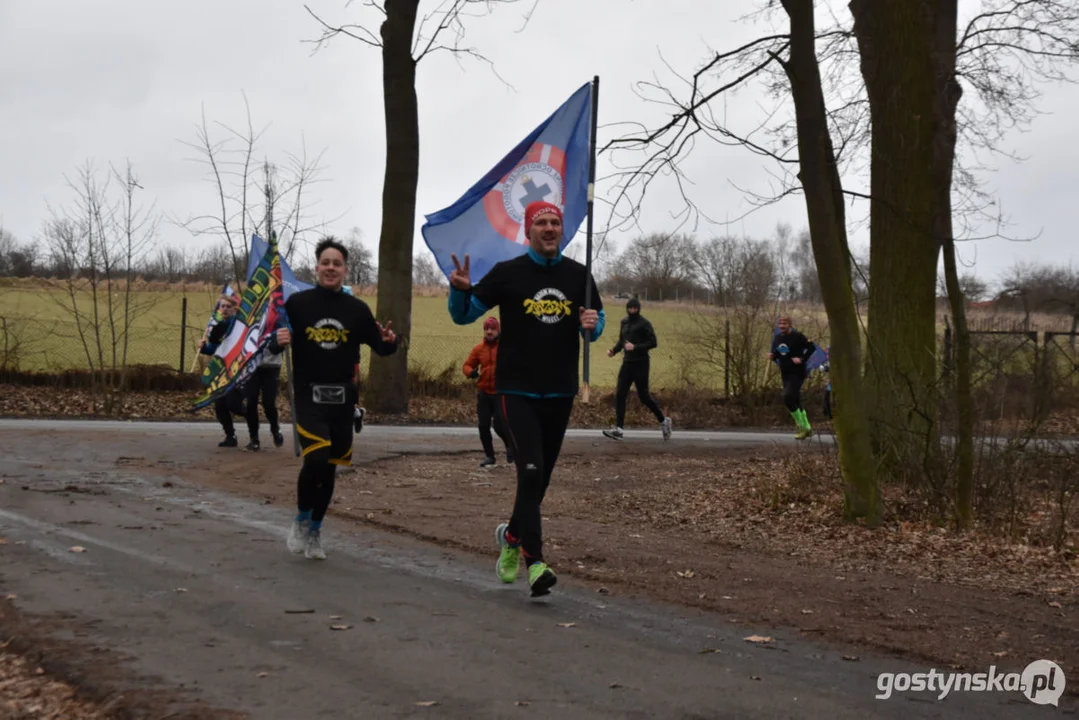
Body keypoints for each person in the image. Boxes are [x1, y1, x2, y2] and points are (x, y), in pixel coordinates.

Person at [448, 199, 605, 597]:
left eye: (556, 222)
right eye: (542, 223)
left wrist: (593, 324)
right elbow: (464, 315)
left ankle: (512, 536)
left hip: (559, 390)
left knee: (539, 482)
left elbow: (595, 327)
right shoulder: (508, 274)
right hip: (515, 390)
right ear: (528, 230)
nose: (550, 229)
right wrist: (459, 292)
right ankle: (536, 564)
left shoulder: (579, 276)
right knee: (530, 473)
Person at [270, 236, 398, 560]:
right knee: (316, 457)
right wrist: (278, 339)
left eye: (336, 264)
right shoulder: (297, 305)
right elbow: (273, 343)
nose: (330, 268)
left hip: (343, 400)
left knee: (328, 470)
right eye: (325, 262)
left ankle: (315, 530)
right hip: (308, 396)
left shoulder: (356, 310)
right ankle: (300, 519)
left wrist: (390, 341)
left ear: (345, 270)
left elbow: (381, 347)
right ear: (316, 267)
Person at [602, 296, 672, 441]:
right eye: (630, 308)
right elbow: (622, 341)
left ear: (639, 309)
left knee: (644, 397)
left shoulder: (644, 324)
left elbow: (653, 342)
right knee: (620, 394)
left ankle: (663, 421)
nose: (632, 311)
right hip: (627, 363)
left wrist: (636, 347)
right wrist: (613, 351)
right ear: (627, 309)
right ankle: (619, 429)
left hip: (641, 363)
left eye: (634, 308)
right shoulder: (624, 322)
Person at [462, 317, 513, 468]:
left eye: (492, 329)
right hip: (484, 392)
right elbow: (467, 365)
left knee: (500, 423)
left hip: (500, 392)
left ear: (498, 331)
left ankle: (510, 446)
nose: (489, 332)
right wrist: (470, 372)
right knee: (483, 425)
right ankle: (489, 456)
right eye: (486, 329)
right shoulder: (479, 349)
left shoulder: (504, 348)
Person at [198, 292, 247, 448]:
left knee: (233, 404)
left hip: (237, 370)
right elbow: (213, 348)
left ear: (234, 309)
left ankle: (252, 417)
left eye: (228, 307)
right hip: (221, 371)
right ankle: (230, 436)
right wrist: (203, 347)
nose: (225, 309)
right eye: (222, 306)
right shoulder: (218, 326)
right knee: (219, 406)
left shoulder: (237, 326)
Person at [768, 314, 817, 439]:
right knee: (796, 400)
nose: (782, 326)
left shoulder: (797, 336)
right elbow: (778, 354)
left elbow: (811, 347)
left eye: (784, 324)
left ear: (790, 325)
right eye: (780, 324)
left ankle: (801, 426)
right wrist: (773, 357)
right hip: (785, 372)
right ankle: (808, 429)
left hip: (798, 372)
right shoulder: (778, 338)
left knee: (788, 397)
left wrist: (802, 359)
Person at [242, 346, 285, 452]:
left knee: (268, 403)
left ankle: (275, 430)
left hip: (272, 366)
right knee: (251, 402)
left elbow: (281, 342)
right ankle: (254, 439)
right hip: (252, 366)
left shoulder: (276, 327)